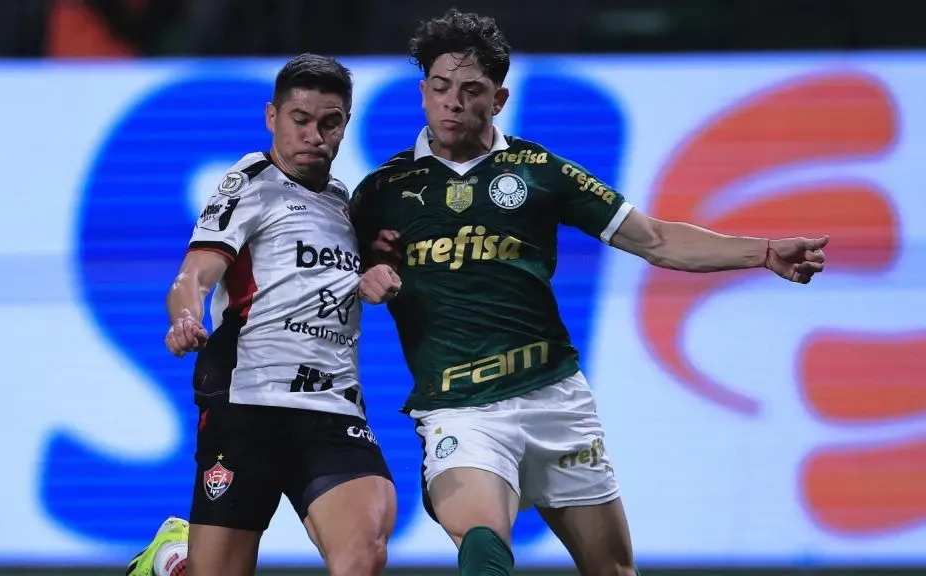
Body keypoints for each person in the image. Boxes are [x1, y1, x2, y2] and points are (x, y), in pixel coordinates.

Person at [349, 9, 829, 576]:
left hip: (555, 400)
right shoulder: (380, 192)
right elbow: (330, 276)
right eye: (440, 87)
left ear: (498, 100)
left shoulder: (539, 172)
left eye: (470, 89)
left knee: (613, 570)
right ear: (424, 91)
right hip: (459, 409)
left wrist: (764, 252)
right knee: (481, 542)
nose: (453, 101)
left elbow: (655, 240)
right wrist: (364, 279)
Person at [125, 53, 402, 576]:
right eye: (300, 120)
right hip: (248, 402)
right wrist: (186, 318)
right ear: (272, 117)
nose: (314, 135)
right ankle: (177, 560)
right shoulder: (250, 181)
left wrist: (375, 275)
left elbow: (345, 277)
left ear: (345, 123)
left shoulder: (346, 204)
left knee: (364, 551)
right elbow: (193, 276)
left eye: (330, 122)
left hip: (332, 406)